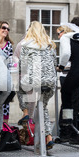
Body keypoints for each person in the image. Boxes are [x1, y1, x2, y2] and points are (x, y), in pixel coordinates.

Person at [14, 21, 57, 149]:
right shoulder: (50, 45)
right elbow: (54, 62)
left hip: (33, 81)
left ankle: (26, 111)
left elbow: (22, 65)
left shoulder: (26, 45)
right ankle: (48, 137)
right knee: (43, 106)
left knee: (19, 86)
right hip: (50, 82)